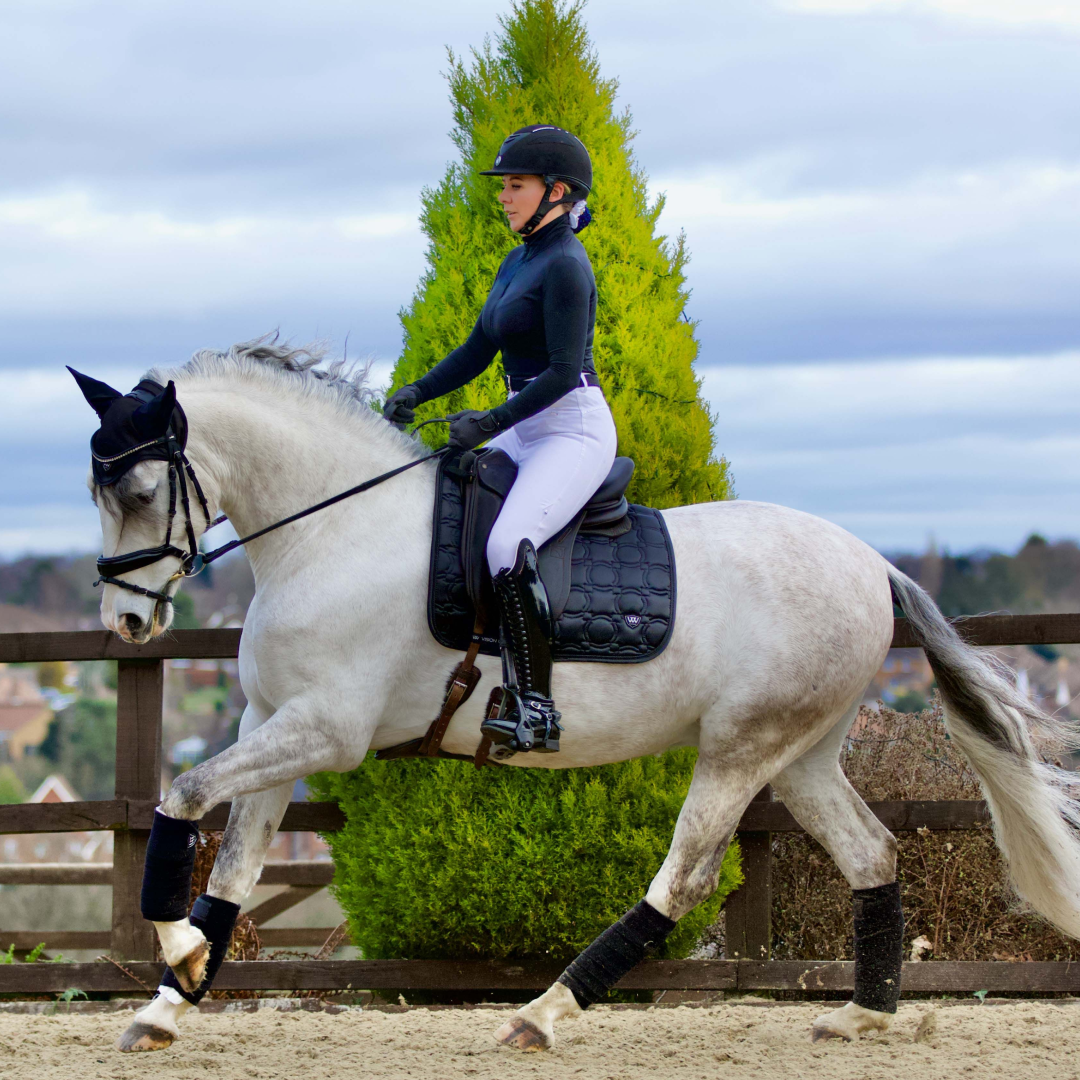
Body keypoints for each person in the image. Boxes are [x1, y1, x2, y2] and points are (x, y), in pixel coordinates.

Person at [383, 124, 618, 755]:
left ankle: (537, 707)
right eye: (505, 186)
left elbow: (565, 374)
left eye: (516, 185)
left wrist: (489, 422)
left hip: (570, 426)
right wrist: (417, 393)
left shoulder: (567, 265)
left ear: (557, 192)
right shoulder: (518, 259)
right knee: (443, 499)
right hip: (525, 424)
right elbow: (478, 348)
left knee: (509, 546)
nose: (505, 196)